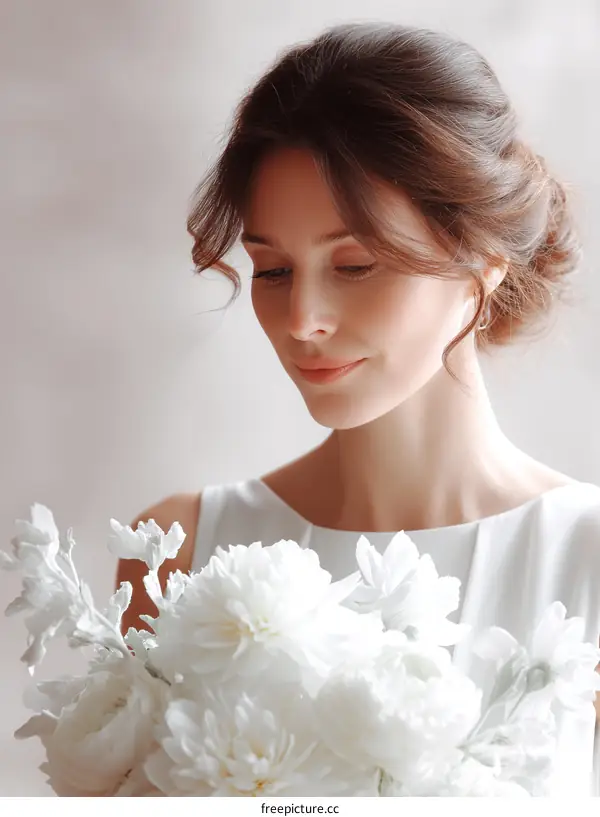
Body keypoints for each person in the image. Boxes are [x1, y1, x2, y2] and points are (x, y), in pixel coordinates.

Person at [115, 22, 600, 794]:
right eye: (273, 270)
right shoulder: (172, 554)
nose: (303, 317)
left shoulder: (584, 559)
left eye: (356, 264)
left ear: (482, 262)